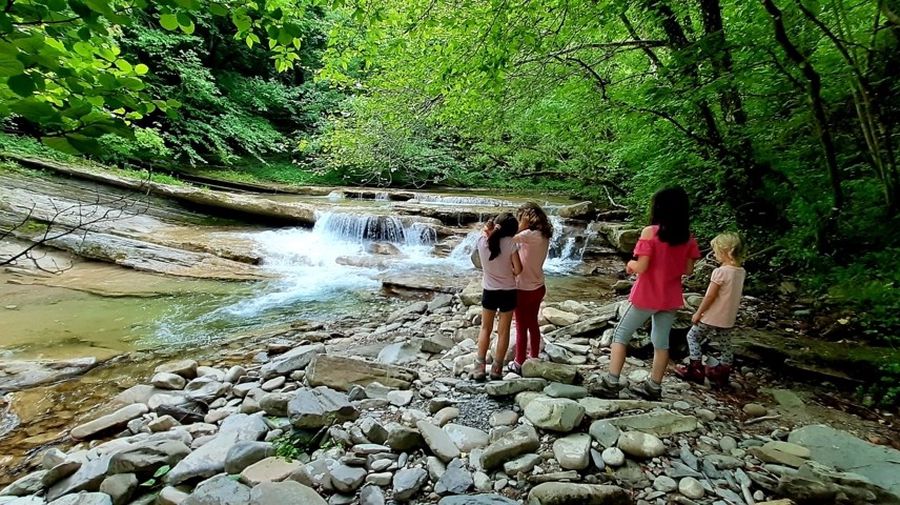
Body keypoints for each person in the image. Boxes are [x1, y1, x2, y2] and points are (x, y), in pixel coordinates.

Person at [591, 187, 701, 400]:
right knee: (661, 342)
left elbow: (641, 267)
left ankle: (611, 382)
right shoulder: (688, 238)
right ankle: (654, 386)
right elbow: (688, 270)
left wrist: (630, 264)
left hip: (646, 295)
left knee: (621, 334)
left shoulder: (650, 232)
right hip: (670, 297)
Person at [675, 232, 746, 387]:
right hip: (728, 317)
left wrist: (698, 313)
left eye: (715, 251)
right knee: (726, 345)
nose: (713, 255)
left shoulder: (720, 272)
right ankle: (722, 373)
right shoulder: (740, 272)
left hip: (712, 316)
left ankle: (695, 368)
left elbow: (710, 296)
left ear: (726, 251)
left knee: (693, 337)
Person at [472, 213, 523, 381]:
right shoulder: (511, 244)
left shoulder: (482, 242)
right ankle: (496, 369)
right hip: (508, 291)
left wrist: (487, 229)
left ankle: (479, 367)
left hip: (489, 291)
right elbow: (518, 269)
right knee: (503, 331)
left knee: (485, 329)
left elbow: (484, 231)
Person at [507, 202, 553, 374]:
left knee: (520, 325)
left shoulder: (528, 234)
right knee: (532, 323)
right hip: (539, 286)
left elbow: (508, 237)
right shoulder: (543, 234)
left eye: (521, 218)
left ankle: (519, 361)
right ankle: (533, 356)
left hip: (523, 288)